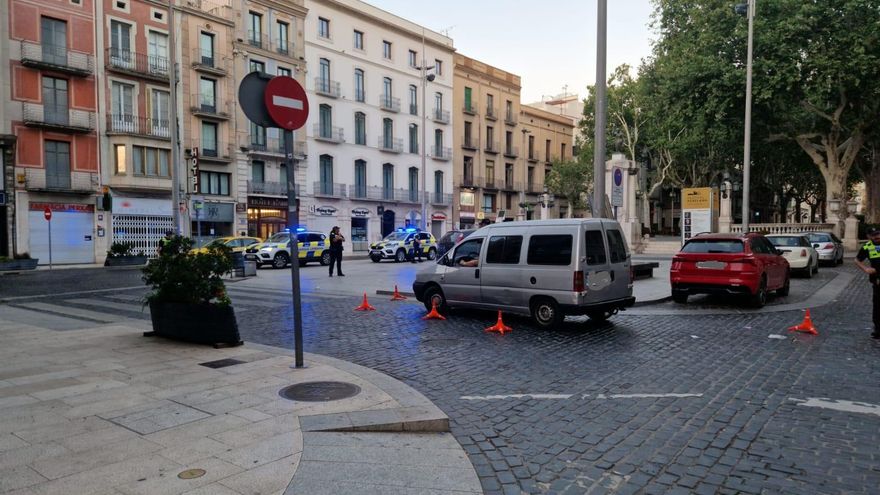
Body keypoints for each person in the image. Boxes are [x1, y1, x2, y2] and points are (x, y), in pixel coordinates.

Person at [855, 227, 880, 339]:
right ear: (869, 237)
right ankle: (878, 329)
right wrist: (866, 269)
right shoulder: (867, 247)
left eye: (878, 234)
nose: (877, 236)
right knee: (877, 306)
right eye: (874, 235)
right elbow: (857, 260)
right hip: (877, 281)